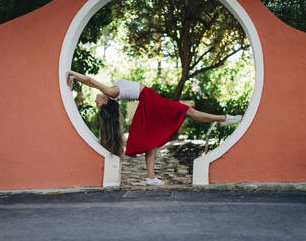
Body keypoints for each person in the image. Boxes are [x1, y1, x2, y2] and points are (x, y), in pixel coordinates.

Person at [66, 70, 242, 186]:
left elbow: (89, 81)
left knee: (162, 131)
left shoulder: (110, 91)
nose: (96, 102)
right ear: (106, 102)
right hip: (149, 100)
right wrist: (72, 75)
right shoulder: (111, 93)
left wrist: (73, 76)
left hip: (149, 100)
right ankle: (223, 118)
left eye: (96, 103)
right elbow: (90, 81)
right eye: (98, 105)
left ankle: (151, 177)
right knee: (186, 110)